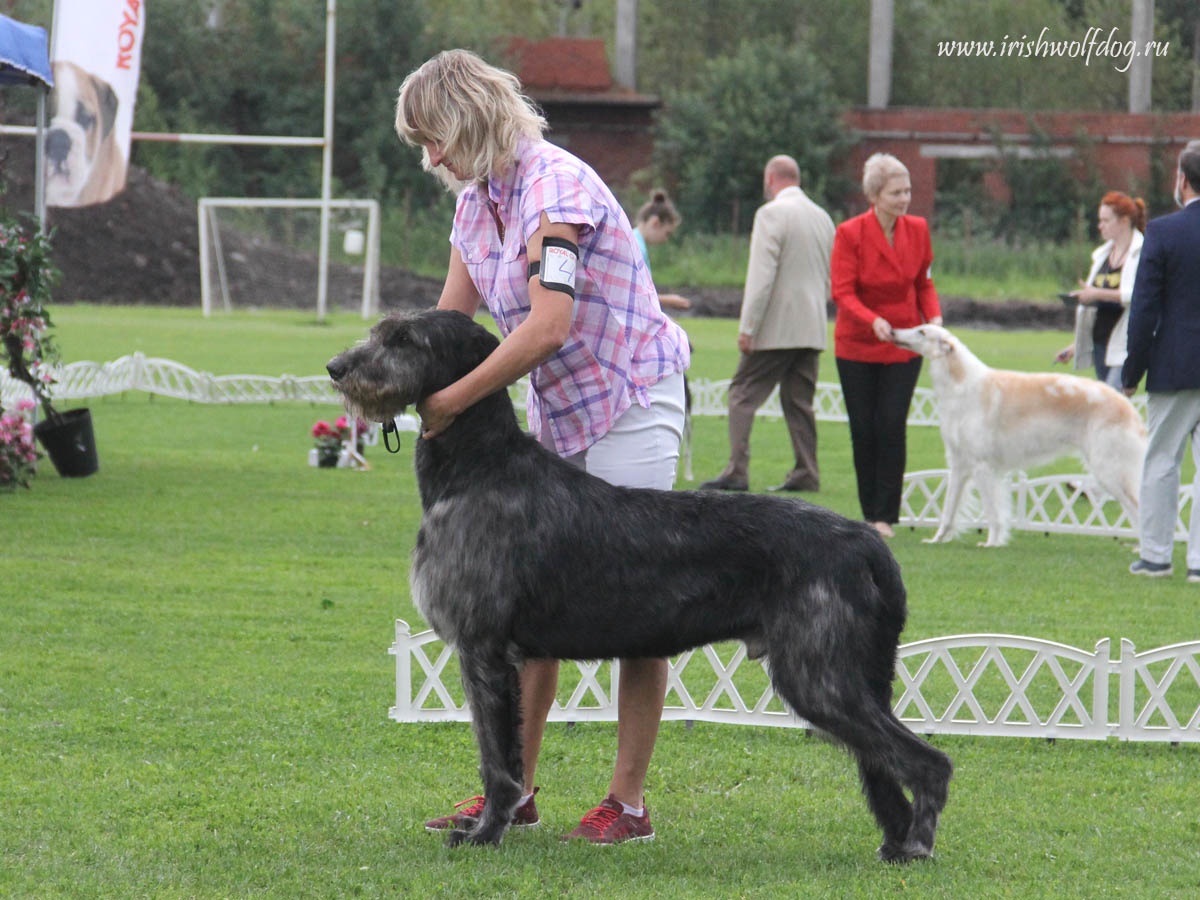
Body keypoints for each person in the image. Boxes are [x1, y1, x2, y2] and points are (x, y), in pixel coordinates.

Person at [394, 49, 690, 844]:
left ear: (469, 121)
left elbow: (547, 325)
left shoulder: (552, 187)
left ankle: (627, 803)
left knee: (643, 601)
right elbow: (452, 333)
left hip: (632, 396)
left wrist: (449, 403)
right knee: (525, 600)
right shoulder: (473, 205)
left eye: (434, 139)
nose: (430, 159)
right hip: (559, 409)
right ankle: (512, 792)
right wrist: (393, 386)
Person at [699, 155, 835, 493]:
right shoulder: (823, 218)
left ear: (770, 178)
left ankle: (737, 470)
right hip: (812, 326)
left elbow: (761, 277)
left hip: (776, 327)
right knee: (799, 402)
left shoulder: (771, 214)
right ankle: (807, 471)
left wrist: (749, 327)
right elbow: (831, 275)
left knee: (742, 394)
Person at [830, 153, 942, 538]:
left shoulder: (918, 229)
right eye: (897, 192)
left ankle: (886, 516)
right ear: (874, 195)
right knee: (864, 428)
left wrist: (934, 319)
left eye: (908, 191)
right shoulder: (849, 233)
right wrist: (871, 319)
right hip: (858, 344)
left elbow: (923, 283)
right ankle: (868, 514)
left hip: (904, 343)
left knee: (892, 424)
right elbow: (842, 292)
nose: (905, 198)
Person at [1121, 139, 1200, 583]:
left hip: (1173, 366)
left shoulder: (1164, 232)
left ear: (1182, 180)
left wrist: (1133, 372)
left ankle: (1155, 556)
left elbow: (1144, 309)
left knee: (1162, 461)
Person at [1054, 192, 1146, 388]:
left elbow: (1137, 295)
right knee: (1109, 412)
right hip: (1100, 345)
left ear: (1124, 221)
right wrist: (1075, 346)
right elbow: (1094, 300)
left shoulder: (1143, 253)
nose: (1100, 226)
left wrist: (1096, 294)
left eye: (1106, 220)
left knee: (1113, 406)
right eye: (1100, 220)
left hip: (1124, 346)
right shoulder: (1101, 255)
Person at [633, 189, 691, 311]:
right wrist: (669, 301)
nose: (666, 240)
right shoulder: (637, 248)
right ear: (655, 223)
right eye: (667, 233)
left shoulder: (634, 241)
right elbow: (635, 295)